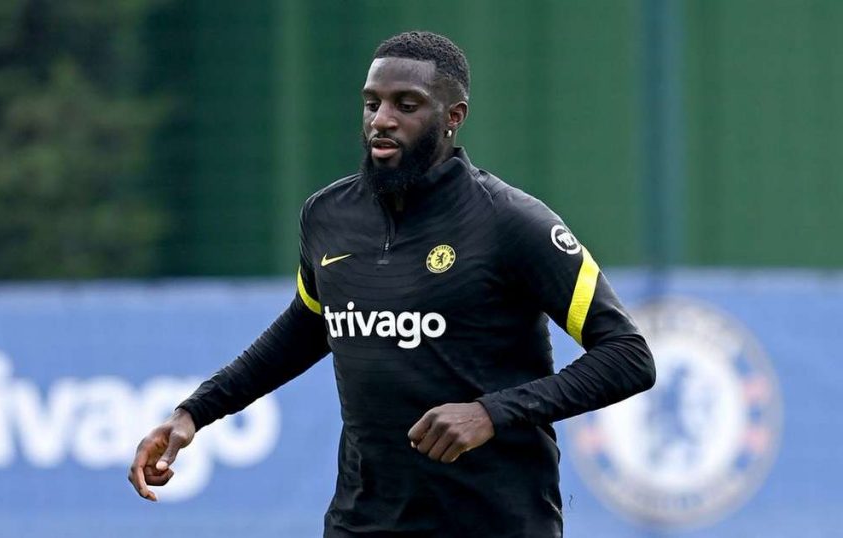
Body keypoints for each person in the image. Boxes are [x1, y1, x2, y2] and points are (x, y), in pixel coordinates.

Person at [129, 31, 655, 537]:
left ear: (453, 117)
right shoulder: (327, 215)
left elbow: (628, 356)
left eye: (407, 105)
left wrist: (491, 413)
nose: (381, 120)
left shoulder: (512, 222)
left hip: (494, 522)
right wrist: (194, 412)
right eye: (371, 103)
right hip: (363, 521)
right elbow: (309, 327)